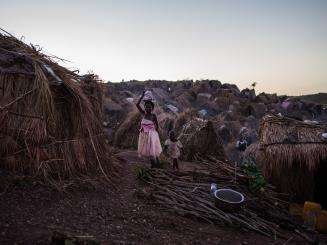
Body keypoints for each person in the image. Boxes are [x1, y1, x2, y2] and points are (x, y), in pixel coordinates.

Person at [136, 91, 162, 168]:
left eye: (150, 107)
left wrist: (156, 136)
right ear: (145, 107)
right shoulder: (143, 114)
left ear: (152, 108)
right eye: (147, 106)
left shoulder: (153, 116)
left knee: (153, 150)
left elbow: (157, 126)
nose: (148, 108)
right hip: (144, 135)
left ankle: (155, 165)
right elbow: (137, 105)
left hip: (152, 135)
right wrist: (142, 96)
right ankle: (154, 165)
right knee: (150, 151)